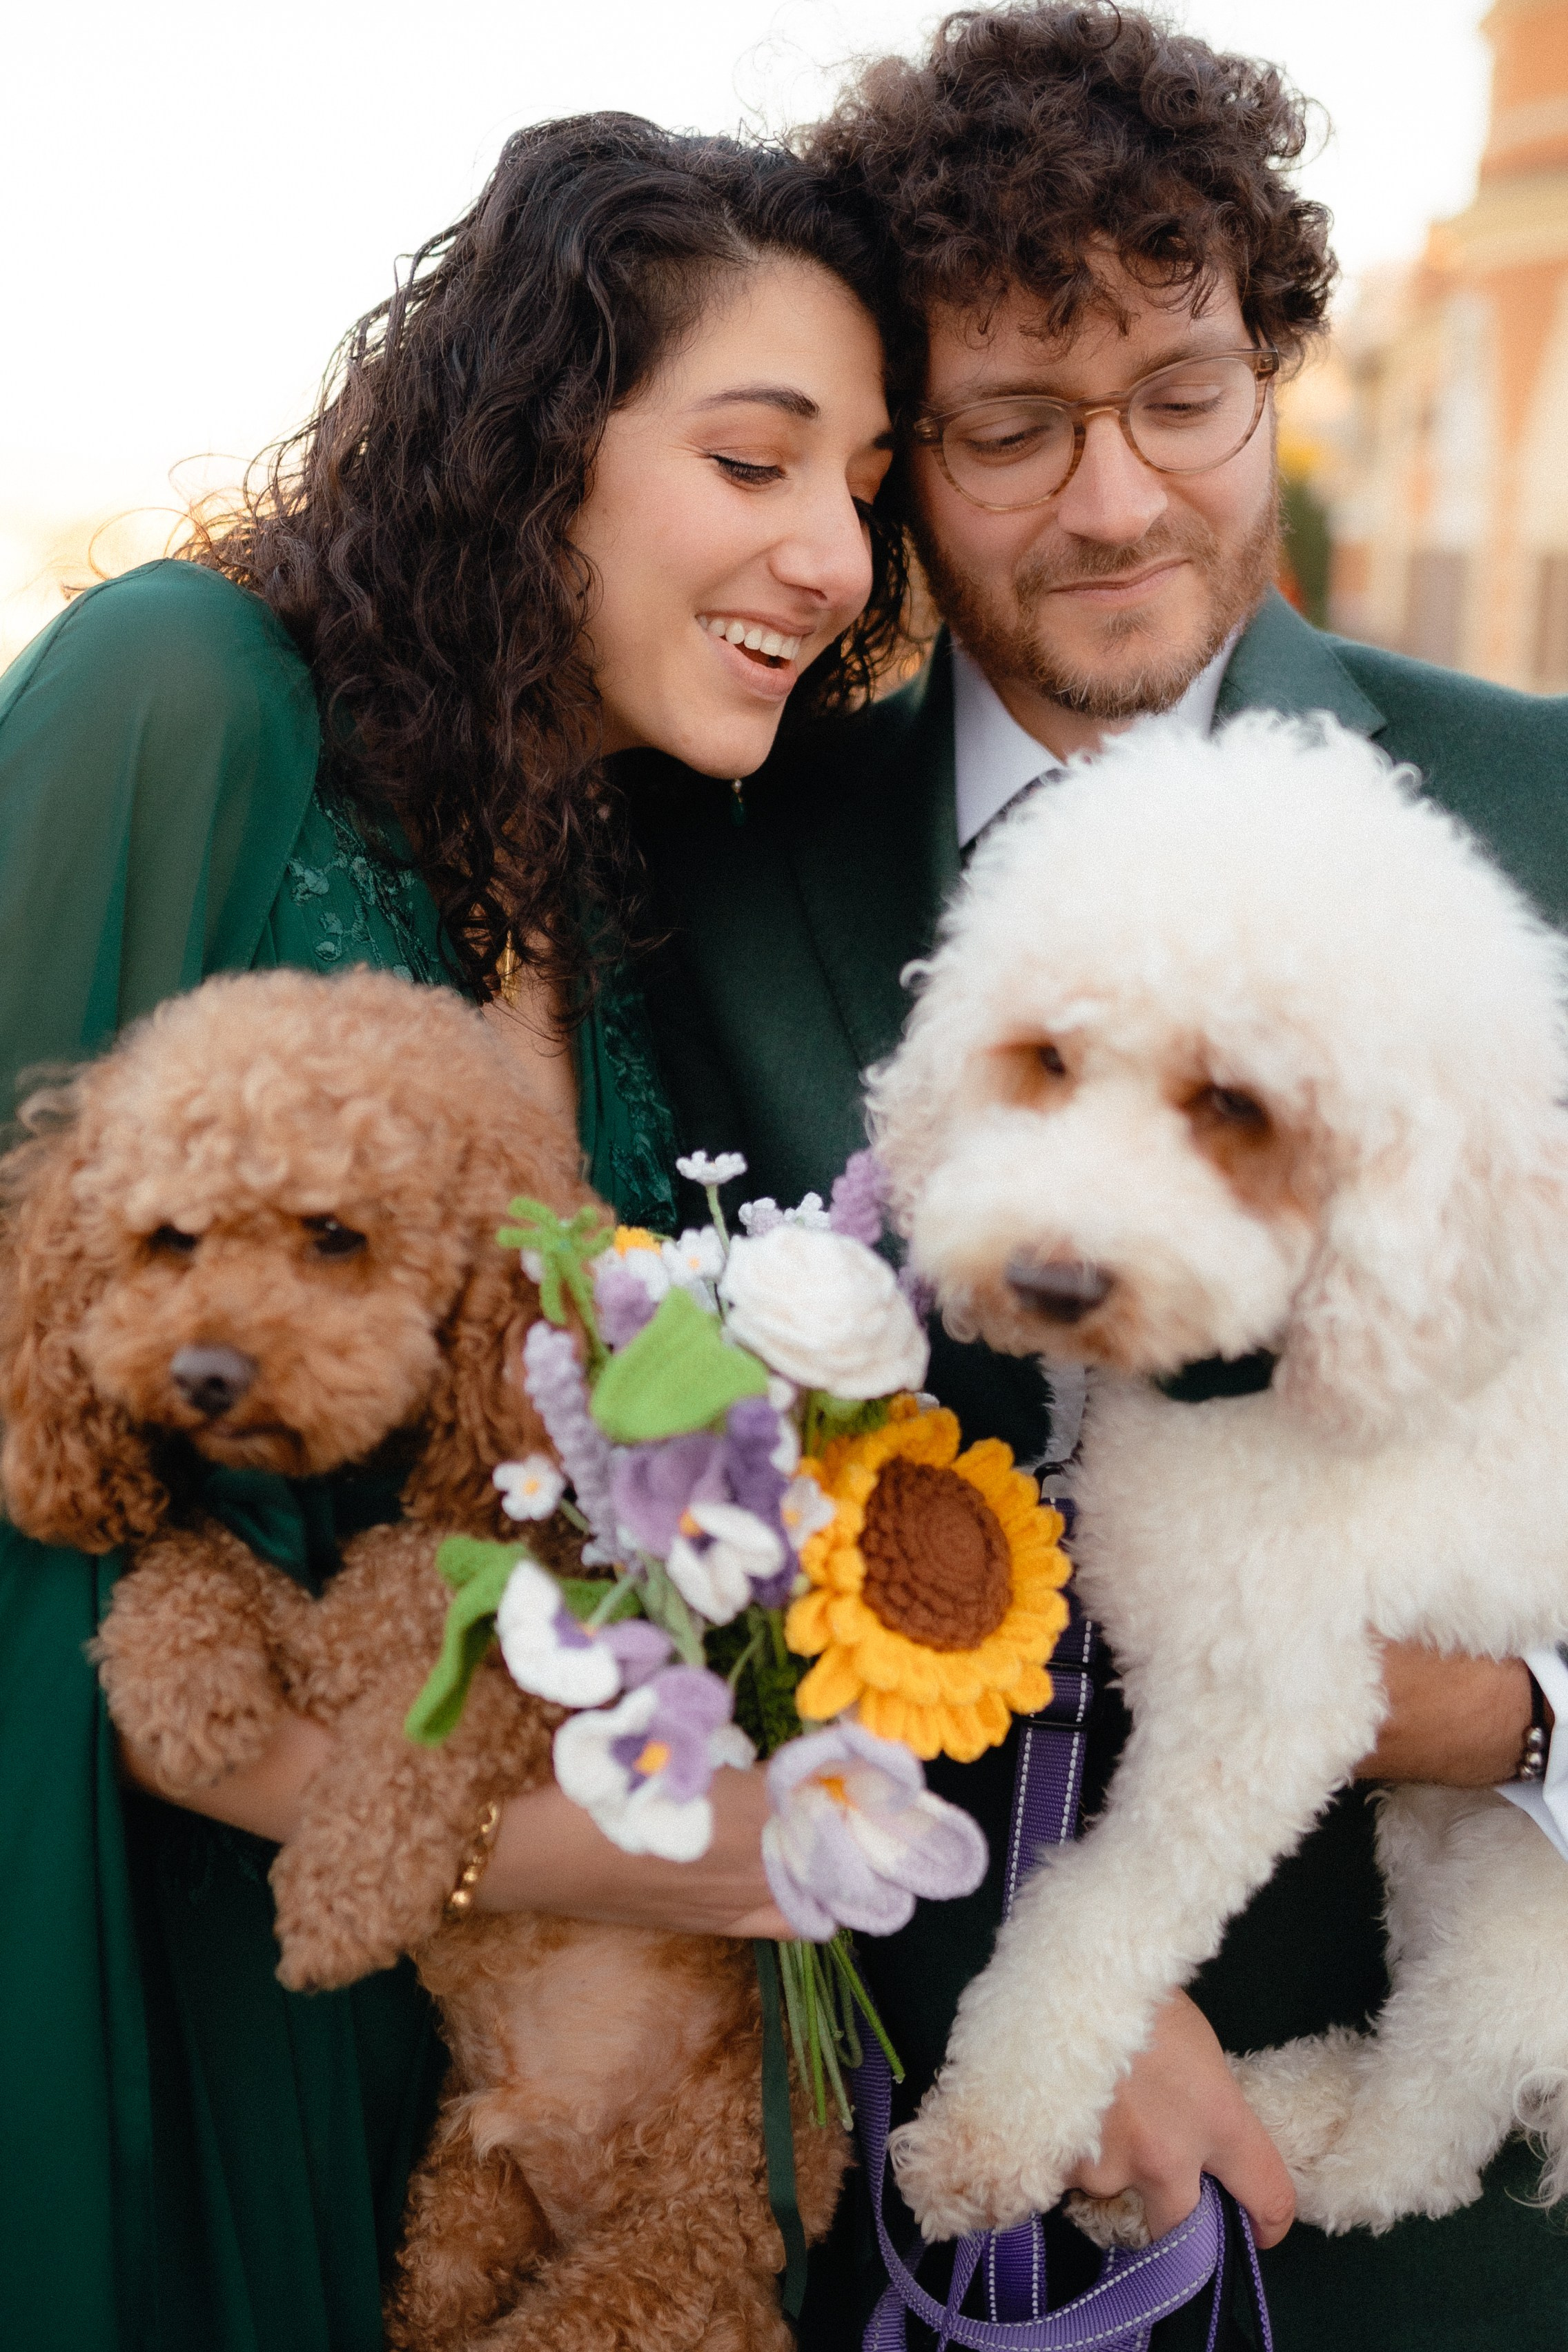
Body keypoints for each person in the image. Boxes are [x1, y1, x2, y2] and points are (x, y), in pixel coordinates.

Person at [627, 10, 1568, 2346]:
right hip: (829, 2175)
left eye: (1182, 391)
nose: (1121, 499)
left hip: (1410, 2242)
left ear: (1277, 373)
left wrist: (1524, 1710)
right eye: (1017, 427)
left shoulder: (1545, 831)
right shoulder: (696, 858)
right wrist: (995, 1974)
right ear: (900, 460)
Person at [0, 114, 906, 2351]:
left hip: (515, 2067)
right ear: (539, 444)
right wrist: (614, 1855)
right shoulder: (182, 696)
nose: (833, 558)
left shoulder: (612, 866)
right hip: (194, 2003)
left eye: (867, 490)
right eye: (757, 460)